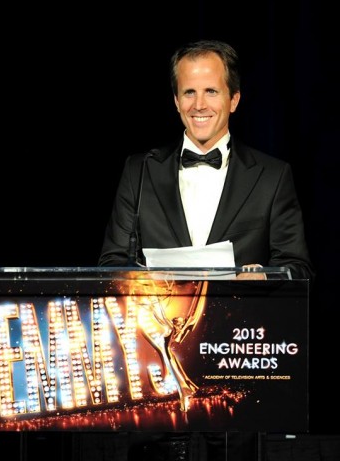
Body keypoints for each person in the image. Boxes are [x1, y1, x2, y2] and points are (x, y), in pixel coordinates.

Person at [86, 39, 314, 460]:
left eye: (211, 91)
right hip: (158, 388)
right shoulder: (139, 171)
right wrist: (145, 283)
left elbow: (298, 269)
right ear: (175, 101)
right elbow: (111, 264)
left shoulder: (272, 176)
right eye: (189, 92)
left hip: (239, 380)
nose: (199, 103)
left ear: (235, 99)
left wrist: (263, 276)